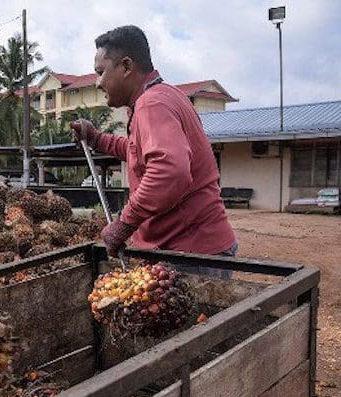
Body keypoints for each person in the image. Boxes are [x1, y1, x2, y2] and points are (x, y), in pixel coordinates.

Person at [70, 25, 237, 262]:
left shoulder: (152, 104)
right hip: (198, 248)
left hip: (189, 252)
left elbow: (169, 172)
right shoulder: (167, 95)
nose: (98, 82)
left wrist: (124, 223)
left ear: (127, 66)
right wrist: (96, 139)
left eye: (101, 72)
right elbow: (138, 153)